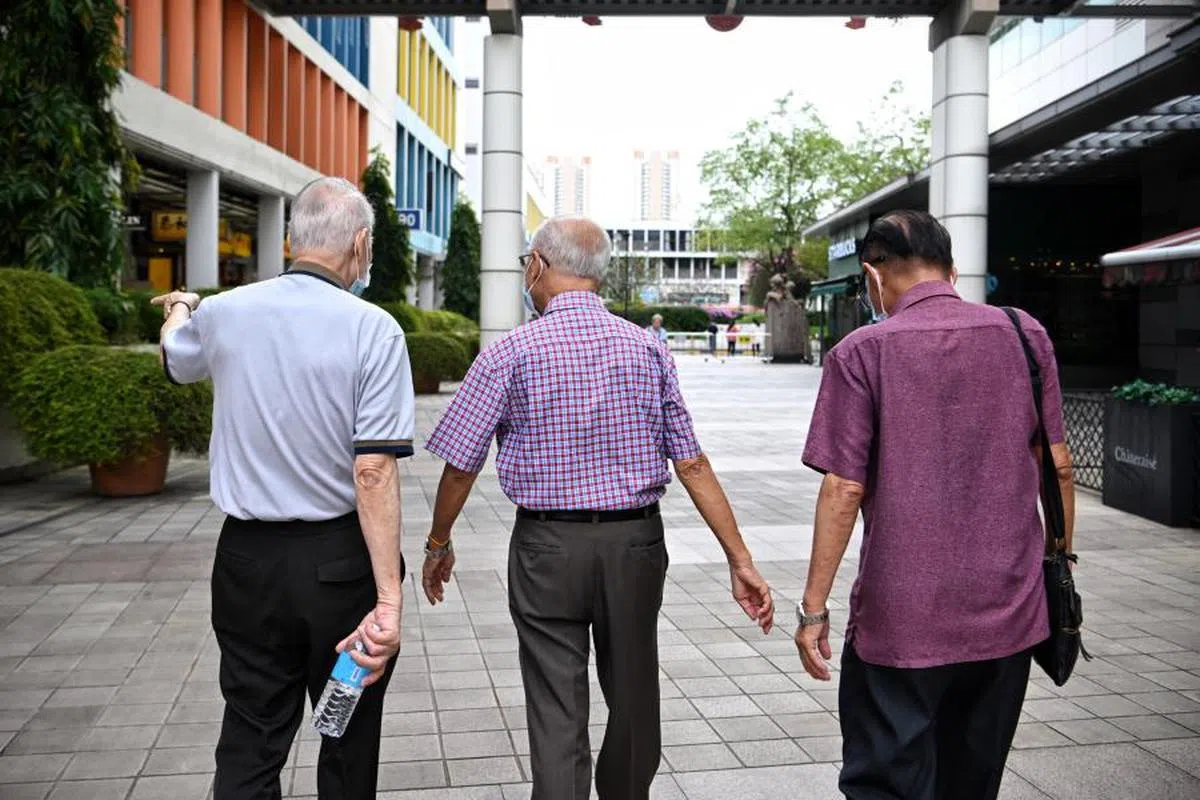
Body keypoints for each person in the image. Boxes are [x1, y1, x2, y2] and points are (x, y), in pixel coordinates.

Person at [419, 217, 775, 800]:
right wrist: (740, 559)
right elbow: (692, 463)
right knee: (633, 691)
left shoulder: (509, 351)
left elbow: (461, 465)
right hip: (633, 545)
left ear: (536, 265)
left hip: (546, 548)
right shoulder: (647, 348)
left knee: (556, 706)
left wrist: (439, 543)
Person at [794, 210, 1075, 800]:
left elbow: (844, 488)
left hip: (903, 617)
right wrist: (1058, 561)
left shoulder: (861, 352)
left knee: (886, 781)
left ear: (872, 276)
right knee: (972, 781)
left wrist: (814, 608)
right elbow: (1059, 465)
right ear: (952, 268)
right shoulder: (1025, 335)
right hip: (1010, 606)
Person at [153, 177, 413, 799]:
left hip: (246, 562)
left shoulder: (225, 312)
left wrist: (182, 309)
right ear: (360, 245)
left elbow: (174, 358)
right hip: (340, 568)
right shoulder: (374, 329)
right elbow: (372, 470)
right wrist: (388, 600)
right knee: (346, 730)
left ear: (294, 239)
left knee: (251, 731)